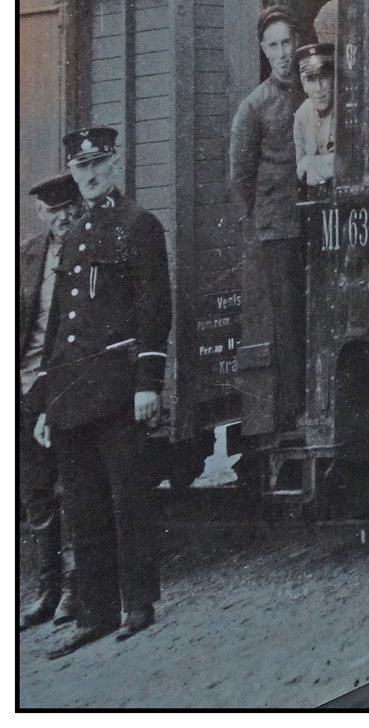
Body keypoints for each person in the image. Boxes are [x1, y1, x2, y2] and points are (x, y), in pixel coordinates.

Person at [37, 128, 170, 657]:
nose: (89, 174)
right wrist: (47, 401)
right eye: (80, 166)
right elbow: (58, 330)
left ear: (114, 164)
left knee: (128, 499)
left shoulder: (138, 226)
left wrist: (148, 383)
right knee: (83, 507)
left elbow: (153, 310)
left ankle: (137, 603)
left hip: (118, 391)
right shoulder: (70, 237)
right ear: (73, 172)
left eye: (97, 163)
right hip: (71, 397)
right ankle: (93, 612)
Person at [228, 8, 305, 431]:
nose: (282, 53)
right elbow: (240, 179)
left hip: (312, 220)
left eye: (286, 42)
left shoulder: (312, 90)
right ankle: (294, 407)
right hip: (278, 229)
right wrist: (264, 221)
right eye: (273, 45)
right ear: (263, 50)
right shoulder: (254, 107)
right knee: (288, 319)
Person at [18, 172, 82, 631]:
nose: (62, 219)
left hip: (65, 385)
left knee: (73, 489)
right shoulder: (26, 255)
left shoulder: (88, 250)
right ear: (41, 214)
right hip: (23, 387)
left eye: (67, 209)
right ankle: (47, 590)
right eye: (53, 212)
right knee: (36, 494)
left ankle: (76, 592)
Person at [292, 42, 336, 187]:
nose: (319, 88)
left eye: (323, 77)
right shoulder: (302, 115)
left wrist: (312, 163)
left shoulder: (345, 110)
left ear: (334, 79)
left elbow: (345, 164)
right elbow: (300, 169)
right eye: (311, 80)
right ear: (303, 83)